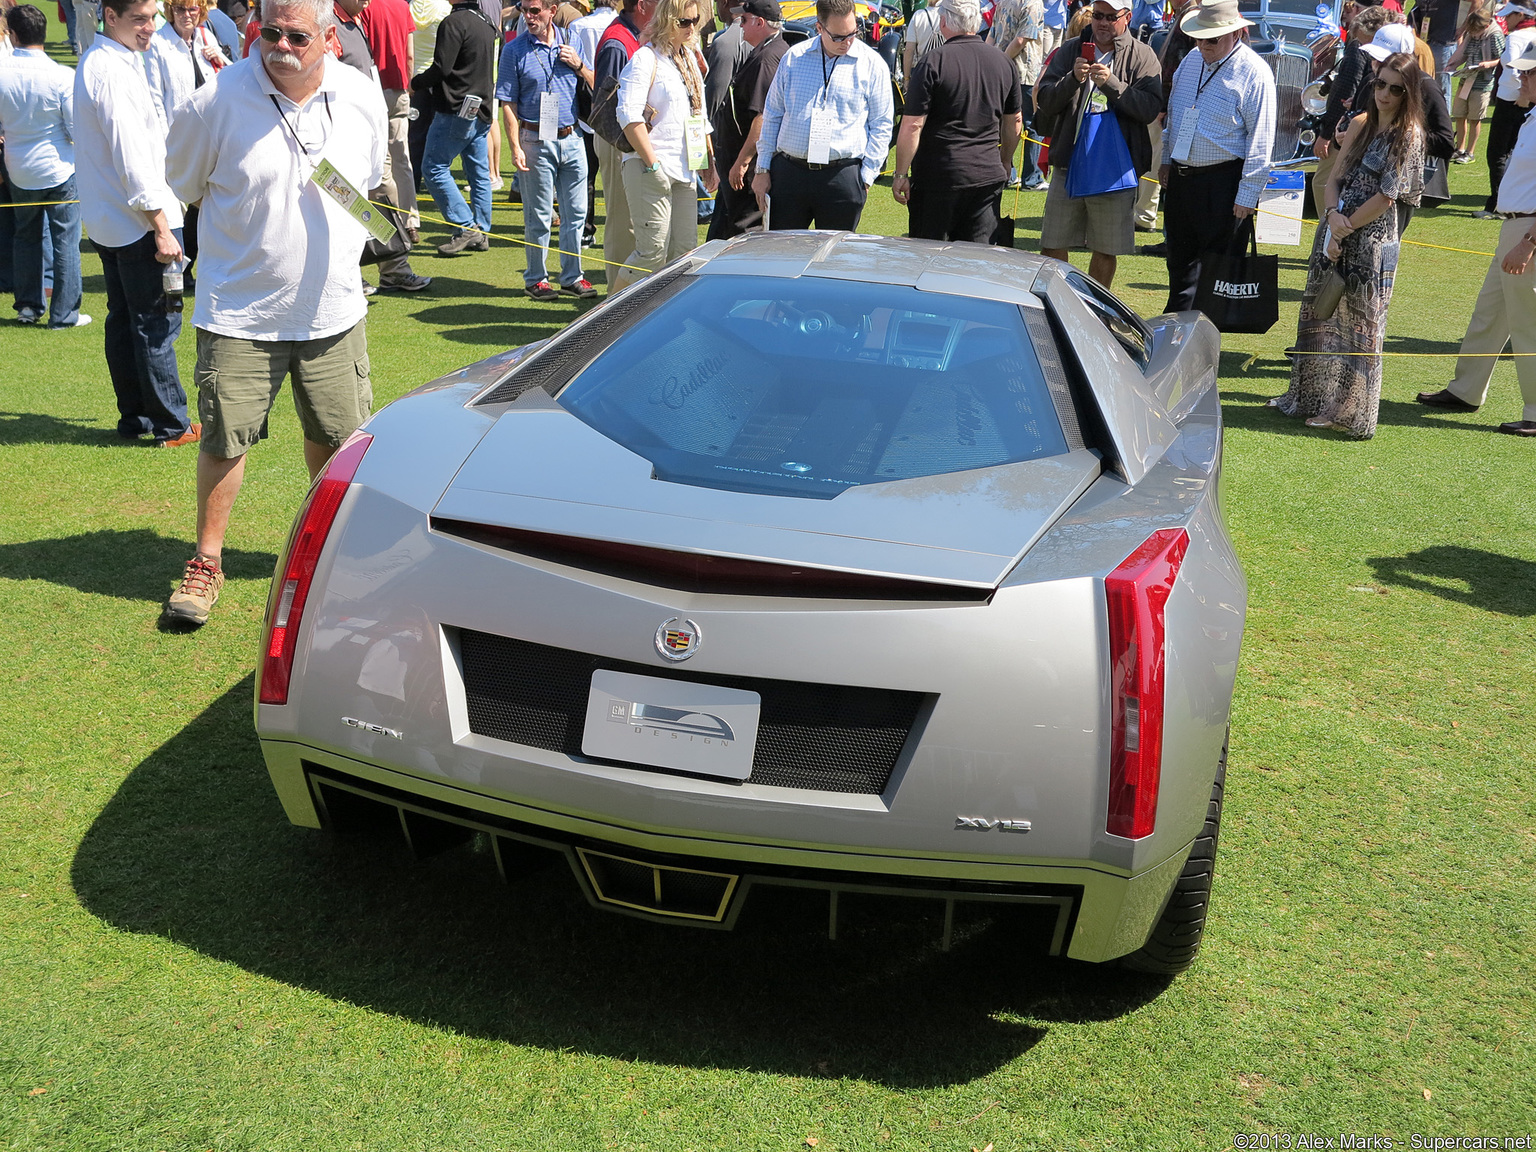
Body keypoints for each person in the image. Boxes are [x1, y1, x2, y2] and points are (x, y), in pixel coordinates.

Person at [162, 0, 387, 626]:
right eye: (270, 32)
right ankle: (207, 562)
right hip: (239, 311)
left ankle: (332, 556)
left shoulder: (360, 95)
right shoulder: (215, 100)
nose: (281, 46)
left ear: (330, 36)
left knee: (338, 442)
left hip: (334, 309)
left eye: (297, 35)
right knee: (225, 439)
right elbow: (183, 182)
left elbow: (362, 184)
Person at [1271, 53, 1424, 439]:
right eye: (1380, 85)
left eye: (1395, 88)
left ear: (1408, 93)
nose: (1385, 94)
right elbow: (1334, 177)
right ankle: (1307, 396)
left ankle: (1348, 410)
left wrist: (1344, 227)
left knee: (1360, 327)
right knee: (1319, 312)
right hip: (1335, 225)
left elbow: (1388, 196)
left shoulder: (1409, 135)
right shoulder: (1360, 123)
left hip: (1372, 239)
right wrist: (1334, 221)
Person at [75, 0, 196, 446]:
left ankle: (140, 417)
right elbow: (132, 157)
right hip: (139, 219)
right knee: (155, 322)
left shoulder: (108, 61)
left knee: (128, 319)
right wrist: (160, 226)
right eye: (139, 19)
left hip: (116, 217)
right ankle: (170, 422)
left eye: (152, 17)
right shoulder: (110, 69)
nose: (150, 28)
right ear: (110, 16)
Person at [1416, 38, 1536, 436]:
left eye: (1528, 72)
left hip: (1528, 232)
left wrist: (1529, 242)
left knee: (1528, 324)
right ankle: (1466, 389)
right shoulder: (1532, 115)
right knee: (1490, 314)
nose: (1519, 77)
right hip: (1515, 226)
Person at [1034, 0, 1162, 288]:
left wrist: (1113, 85)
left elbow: (1149, 108)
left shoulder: (1143, 55)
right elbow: (1045, 100)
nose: (1103, 23)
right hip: (1069, 162)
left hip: (1114, 170)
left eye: (1110, 17)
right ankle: (1060, 305)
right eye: (1097, 16)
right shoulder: (1070, 50)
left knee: (1106, 249)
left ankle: (1095, 310)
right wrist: (1072, 80)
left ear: (1127, 17)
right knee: (1052, 243)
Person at [1158, 0, 1275, 314]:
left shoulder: (1255, 72)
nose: (1203, 45)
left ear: (1234, 34)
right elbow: (1174, 114)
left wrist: (1248, 195)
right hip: (1183, 179)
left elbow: (1261, 142)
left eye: (1212, 38)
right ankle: (1175, 329)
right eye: (1199, 37)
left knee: (1216, 275)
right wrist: (1167, 159)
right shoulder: (1191, 61)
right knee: (1179, 263)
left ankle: (1199, 341)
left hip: (1223, 182)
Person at [752, 0, 894, 231]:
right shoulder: (794, 57)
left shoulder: (872, 65)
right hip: (789, 175)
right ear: (819, 28)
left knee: (833, 262)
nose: (847, 42)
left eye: (852, 33)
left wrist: (866, 178)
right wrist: (763, 169)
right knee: (782, 255)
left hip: (842, 176)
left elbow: (882, 125)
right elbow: (773, 115)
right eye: (838, 37)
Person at [891, 0, 1022, 243]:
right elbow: (1014, 121)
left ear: (943, 21)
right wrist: (1005, 160)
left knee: (928, 261)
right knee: (976, 262)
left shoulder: (932, 62)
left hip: (938, 179)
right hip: (985, 175)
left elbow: (912, 125)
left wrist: (900, 174)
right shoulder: (1003, 62)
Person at [497, 0, 598, 298]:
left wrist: (579, 65)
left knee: (577, 213)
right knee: (539, 215)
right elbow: (508, 103)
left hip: (572, 137)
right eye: (525, 10)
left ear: (552, 10)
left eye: (535, 10)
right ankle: (536, 278)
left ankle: (572, 276)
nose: (528, 16)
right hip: (534, 139)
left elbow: (595, 83)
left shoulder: (571, 40)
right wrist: (515, 146)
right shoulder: (514, 50)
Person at [614, 0, 715, 288]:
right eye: (684, 21)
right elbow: (628, 114)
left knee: (684, 255)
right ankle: (606, 320)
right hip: (650, 166)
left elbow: (700, 116)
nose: (691, 27)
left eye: (695, 21)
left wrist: (708, 164)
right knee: (651, 253)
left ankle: (663, 324)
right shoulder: (646, 58)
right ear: (667, 20)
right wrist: (653, 163)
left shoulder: (688, 59)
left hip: (684, 168)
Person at [0, 4, 87, 329]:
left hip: (20, 168)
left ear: (14, 34)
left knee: (26, 236)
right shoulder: (62, 75)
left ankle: (28, 306)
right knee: (65, 240)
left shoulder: (3, 71)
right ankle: (63, 314)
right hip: (59, 167)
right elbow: (76, 128)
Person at [335, 0, 431, 289]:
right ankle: (362, 272)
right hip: (346, 134)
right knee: (368, 193)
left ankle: (393, 266)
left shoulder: (355, 19)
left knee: (382, 187)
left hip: (371, 122)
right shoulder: (330, 24)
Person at [412, 0, 498, 253]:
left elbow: (441, 67)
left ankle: (466, 226)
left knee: (433, 167)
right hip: (481, 106)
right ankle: (480, 229)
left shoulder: (453, 22)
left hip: (455, 107)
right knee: (478, 172)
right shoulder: (485, 21)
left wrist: (416, 82)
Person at [706, 0, 783, 239]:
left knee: (746, 232)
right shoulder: (769, 51)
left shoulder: (766, 59)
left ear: (760, 22)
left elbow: (762, 118)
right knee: (728, 230)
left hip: (751, 167)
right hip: (748, 163)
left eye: (746, 20)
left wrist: (741, 162)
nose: (741, 26)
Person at [1311, 4, 1394, 221]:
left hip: (1351, 131)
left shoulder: (1359, 50)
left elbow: (1345, 88)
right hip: (1360, 126)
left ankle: (1329, 230)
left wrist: (1326, 134)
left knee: (1323, 182)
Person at [593, 0, 655, 283]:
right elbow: (608, 105)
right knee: (621, 222)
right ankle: (615, 300)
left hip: (628, 138)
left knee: (633, 220)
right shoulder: (618, 43)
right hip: (617, 139)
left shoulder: (630, 37)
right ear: (642, 5)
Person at [359, 0, 421, 236]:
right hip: (398, 88)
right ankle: (411, 220)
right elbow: (409, 55)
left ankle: (393, 220)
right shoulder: (402, 6)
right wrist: (407, 84)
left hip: (373, 88)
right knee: (402, 158)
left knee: (382, 162)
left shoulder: (365, 7)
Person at [1476, 2, 1535, 219]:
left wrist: (1521, 95)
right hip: (1526, 101)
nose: (1505, 20)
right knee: (1516, 151)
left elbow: (1513, 67)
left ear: (1520, 14)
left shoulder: (1516, 37)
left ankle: (1498, 203)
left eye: (1509, 16)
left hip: (1512, 100)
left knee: (1498, 153)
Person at [567, 0, 616, 241]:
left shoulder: (579, 25)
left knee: (587, 173)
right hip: (614, 105)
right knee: (615, 172)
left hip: (587, 104)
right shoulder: (619, 24)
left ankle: (586, 228)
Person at [145, 0, 232, 133]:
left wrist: (221, 61)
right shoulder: (157, 42)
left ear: (200, 11)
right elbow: (155, 96)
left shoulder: (206, 37)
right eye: (180, 9)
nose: (186, 15)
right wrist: (165, 138)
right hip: (180, 131)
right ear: (171, 10)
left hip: (211, 128)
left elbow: (230, 80)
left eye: (192, 9)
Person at [987, 0, 1047, 189]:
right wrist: (1003, 60)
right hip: (1024, 72)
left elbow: (991, 35)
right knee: (1032, 124)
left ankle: (1006, 173)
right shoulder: (1033, 4)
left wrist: (991, 62)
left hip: (1000, 71)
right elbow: (1022, 39)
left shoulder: (1004, 1)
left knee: (1002, 122)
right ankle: (1032, 177)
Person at [1446, 6, 1504, 163]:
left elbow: (1503, 59)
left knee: (1474, 118)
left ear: (1485, 26)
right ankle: (1460, 148)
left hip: (1482, 83)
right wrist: (1452, 65)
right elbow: (1464, 53)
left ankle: (1470, 152)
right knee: (1459, 114)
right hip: (1467, 79)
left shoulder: (1495, 36)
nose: (1472, 34)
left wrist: (1488, 64)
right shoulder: (1472, 34)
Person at [902, 0, 943, 87]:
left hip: (922, 71)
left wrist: (906, 78)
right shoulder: (948, 15)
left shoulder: (918, 16)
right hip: (943, 69)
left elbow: (909, 50)